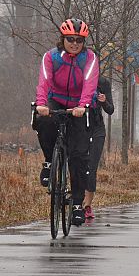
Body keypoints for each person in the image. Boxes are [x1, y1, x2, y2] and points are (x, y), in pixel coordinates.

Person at [34, 18, 99, 226]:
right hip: (56, 99)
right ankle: (48, 161)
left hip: (79, 105)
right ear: (63, 39)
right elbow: (44, 82)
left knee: (79, 156)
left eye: (79, 40)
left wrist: (83, 106)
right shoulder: (51, 57)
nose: (74, 44)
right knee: (44, 122)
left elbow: (90, 84)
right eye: (70, 39)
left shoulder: (89, 58)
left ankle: (78, 204)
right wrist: (42, 105)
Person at [82, 76, 114, 219]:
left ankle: (87, 205)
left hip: (97, 128)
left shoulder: (102, 83)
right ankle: (76, 200)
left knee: (91, 167)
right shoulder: (73, 77)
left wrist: (104, 101)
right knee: (77, 165)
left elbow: (110, 109)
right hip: (77, 126)